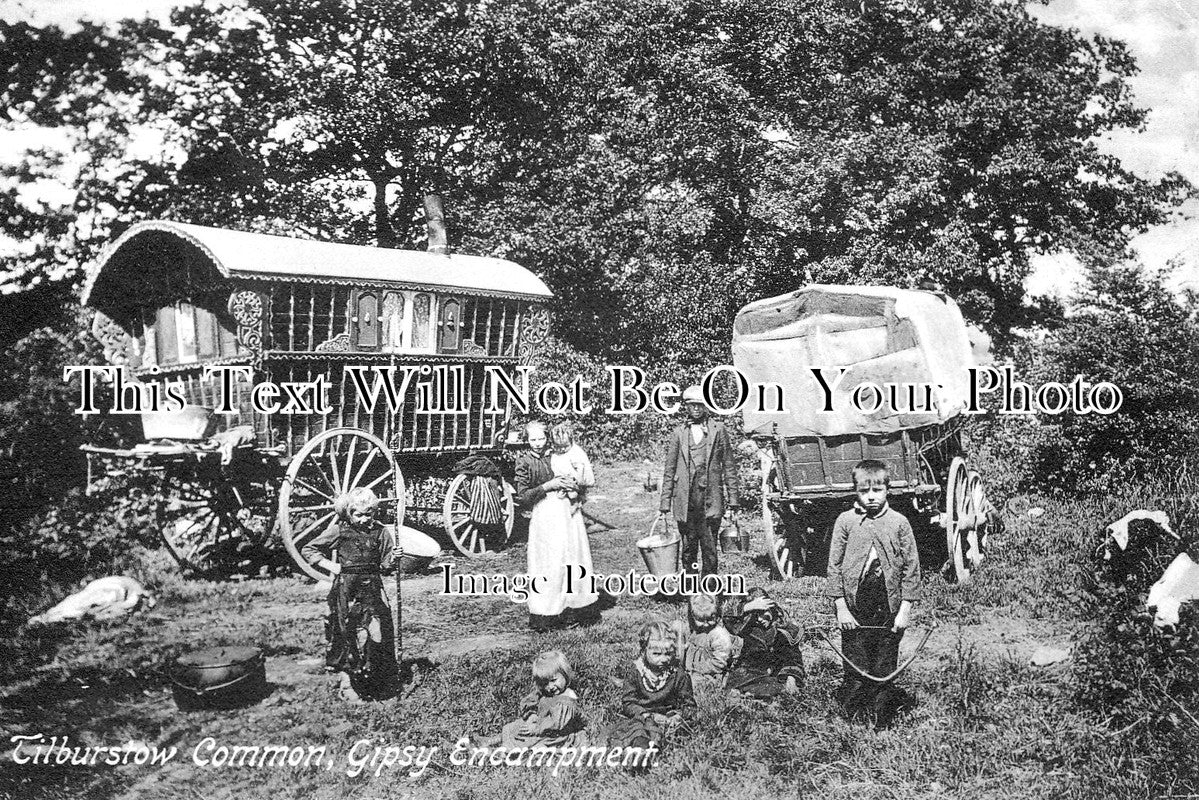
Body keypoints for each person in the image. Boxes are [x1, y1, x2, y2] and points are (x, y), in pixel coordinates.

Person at [826, 458, 921, 725]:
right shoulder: (845, 522)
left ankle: (882, 718)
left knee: (884, 663)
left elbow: (911, 568)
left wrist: (905, 610)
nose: (870, 497)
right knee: (855, 662)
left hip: (887, 607)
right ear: (855, 491)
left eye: (876, 491)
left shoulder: (899, 523)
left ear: (887, 489)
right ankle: (855, 717)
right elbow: (833, 566)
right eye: (863, 491)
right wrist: (841, 607)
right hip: (855, 607)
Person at [301, 487, 401, 702]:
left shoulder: (381, 532)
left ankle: (377, 680)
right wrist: (331, 566)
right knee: (348, 631)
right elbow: (309, 549)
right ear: (348, 513)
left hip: (373, 587)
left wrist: (394, 558)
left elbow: (385, 565)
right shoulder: (340, 531)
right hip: (348, 588)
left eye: (369, 513)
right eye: (358, 514)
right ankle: (348, 682)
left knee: (377, 631)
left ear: (375, 512)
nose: (364, 519)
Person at [514, 420, 599, 630]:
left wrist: (575, 488)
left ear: (547, 438)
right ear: (527, 440)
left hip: (567, 513)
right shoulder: (524, 462)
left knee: (572, 558)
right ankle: (546, 614)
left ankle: (575, 610)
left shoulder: (557, 454)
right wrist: (548, 485)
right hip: (544, 515)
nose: (537, 443)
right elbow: (524, 496)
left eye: (541, 438)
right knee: (548, 563)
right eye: (532, 439)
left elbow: (581, 477)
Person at [658, 385, 741, 577]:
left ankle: (710, 590)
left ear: (706, 406)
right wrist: (664, 505)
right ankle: (691, 589)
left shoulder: (718, 430)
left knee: (709, 547)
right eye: (692, 405)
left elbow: (729, 467)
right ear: (686, 407)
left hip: (710, 499)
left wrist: (734, 502)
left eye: (699, 405)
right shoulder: (679, 433)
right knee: (688, 548)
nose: (696, 408)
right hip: (686, 501)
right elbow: (669, 470)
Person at [608, 621, 697, 763]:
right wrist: (645, 714)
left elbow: (689, 704)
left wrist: (677, 717)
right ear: (644, 650)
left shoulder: (678, 675)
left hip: (667, 718)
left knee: (678, 731)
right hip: (643, 716)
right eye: (656, 653)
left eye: (668, 653)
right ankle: (639, 751)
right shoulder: (636, 672)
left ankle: (652, 749)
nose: (663, 659)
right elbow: (628, 702)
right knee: (636, 729)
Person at [494, 650, 588, 749]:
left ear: (565, 674)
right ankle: (492, 740)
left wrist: (536, 728)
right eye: (545, 683)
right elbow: (531, 701)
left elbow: (557, 723)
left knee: (529, 741)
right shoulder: (546, 691)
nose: (550, 687)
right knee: (515, 727)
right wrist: (531, 715)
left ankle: (501, 752)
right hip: (539, 724)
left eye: (553, 680)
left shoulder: (567, 698)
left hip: (555, 735)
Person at [726, 587, 804, 698]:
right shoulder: (749, 629)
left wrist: (791, 677)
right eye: (755, 614)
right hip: (749, 675)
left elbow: (793, 659)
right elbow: (727, 618)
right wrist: (748, 607)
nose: (759, 619)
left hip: (777, 676)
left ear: (771, 609)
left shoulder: (785, 632)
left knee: (780, 689)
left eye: (762, 613)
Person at [670, 593, 741, 690]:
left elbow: (719, 663)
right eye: (700, 620)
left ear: (717, 615)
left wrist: (695, 667)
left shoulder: (718, 635)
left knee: (685, 685)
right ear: (692, 617)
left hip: (709, 673)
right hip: (692, 668)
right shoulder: (696, 629)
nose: (706, 624)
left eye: (710, 619)